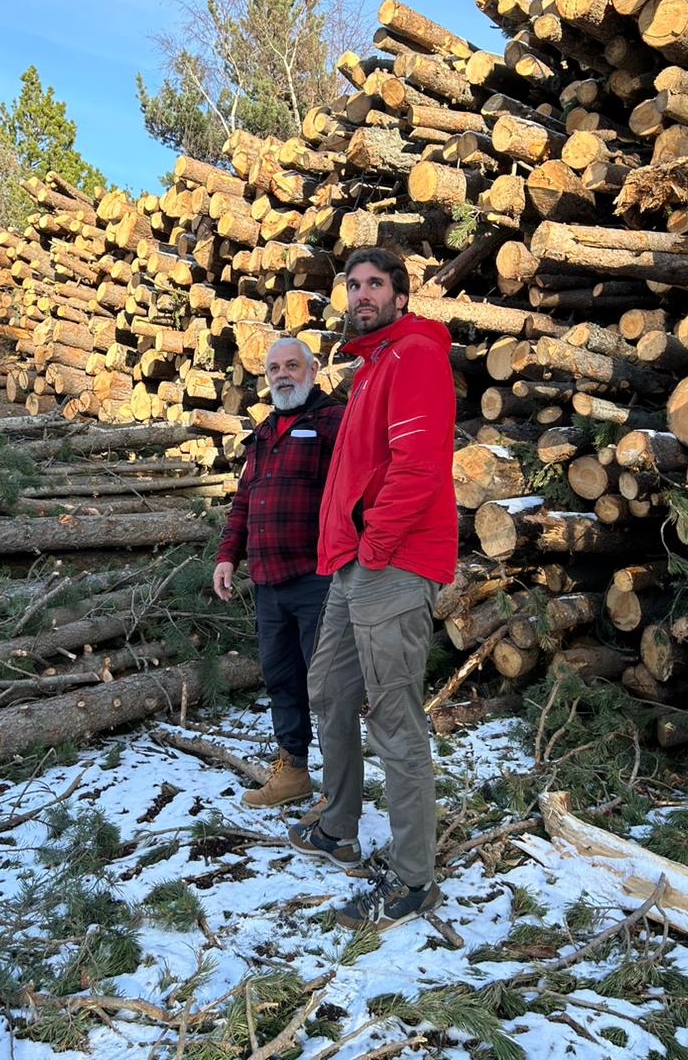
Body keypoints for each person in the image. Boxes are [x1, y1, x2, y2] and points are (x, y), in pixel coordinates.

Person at [289, 247, 458, 931]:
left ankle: (414, 879)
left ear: (400, 294)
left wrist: (377, 544)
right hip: (354, 566)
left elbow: (418, 465)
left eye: (374, 284)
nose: (361, 293)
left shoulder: (414, 353)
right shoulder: (368, 368)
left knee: (393, 719)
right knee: (328, 688)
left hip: (393, 562)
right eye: (353, 284)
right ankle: (339, 824)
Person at [213, 337, 344, 808]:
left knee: (326, 685)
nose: (282, 375)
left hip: (318, 578)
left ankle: (338, 789)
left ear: (312, 371)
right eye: (274, 369)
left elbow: (353, 496)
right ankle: (293, 771)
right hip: (268, 581)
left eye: (292, 366)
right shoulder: (265, 432)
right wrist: (228, 554)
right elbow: (245, 499)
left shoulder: (335, 421)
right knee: (281, 676)